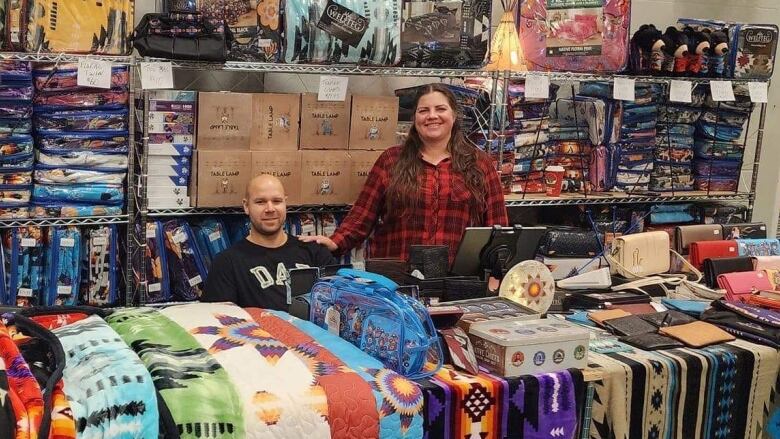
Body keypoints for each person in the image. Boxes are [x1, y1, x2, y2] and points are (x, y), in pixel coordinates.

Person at [301, 83, 508, 263]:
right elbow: (362, 215)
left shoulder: (480, 163)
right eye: (424, 110)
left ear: (454, 116)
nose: (432, 116)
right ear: (415, 118)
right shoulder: (391, 160)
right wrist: (335, 242)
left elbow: (497, 227)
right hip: (396, 280)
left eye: (440, 109)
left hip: (457, 280)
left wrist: (496, 272)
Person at [202, 174, 336, 310]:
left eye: (277, 201)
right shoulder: (226, 263)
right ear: (246, 206)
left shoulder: (315, 252)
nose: (270, 209)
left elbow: (339, 309)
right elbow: (220, 322)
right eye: (260, 202)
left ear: (285, 203)